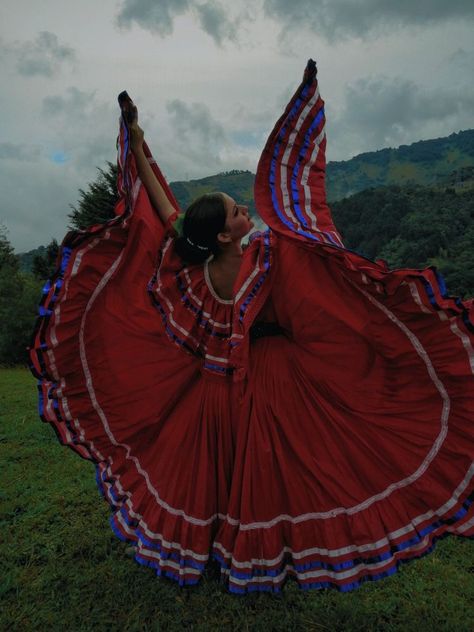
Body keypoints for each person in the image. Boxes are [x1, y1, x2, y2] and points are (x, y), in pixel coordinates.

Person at [30, 60, 474, 593]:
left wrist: (137, 137)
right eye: (239, 210)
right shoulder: (264, 258)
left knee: (220, 472)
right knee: (272, 470)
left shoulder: (195, 266)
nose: (246, 211)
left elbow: (164, 204)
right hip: (270, 379)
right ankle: (265, 551)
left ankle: (218, 547)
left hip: (215, 388)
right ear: (223, 235)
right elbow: (314, 268)